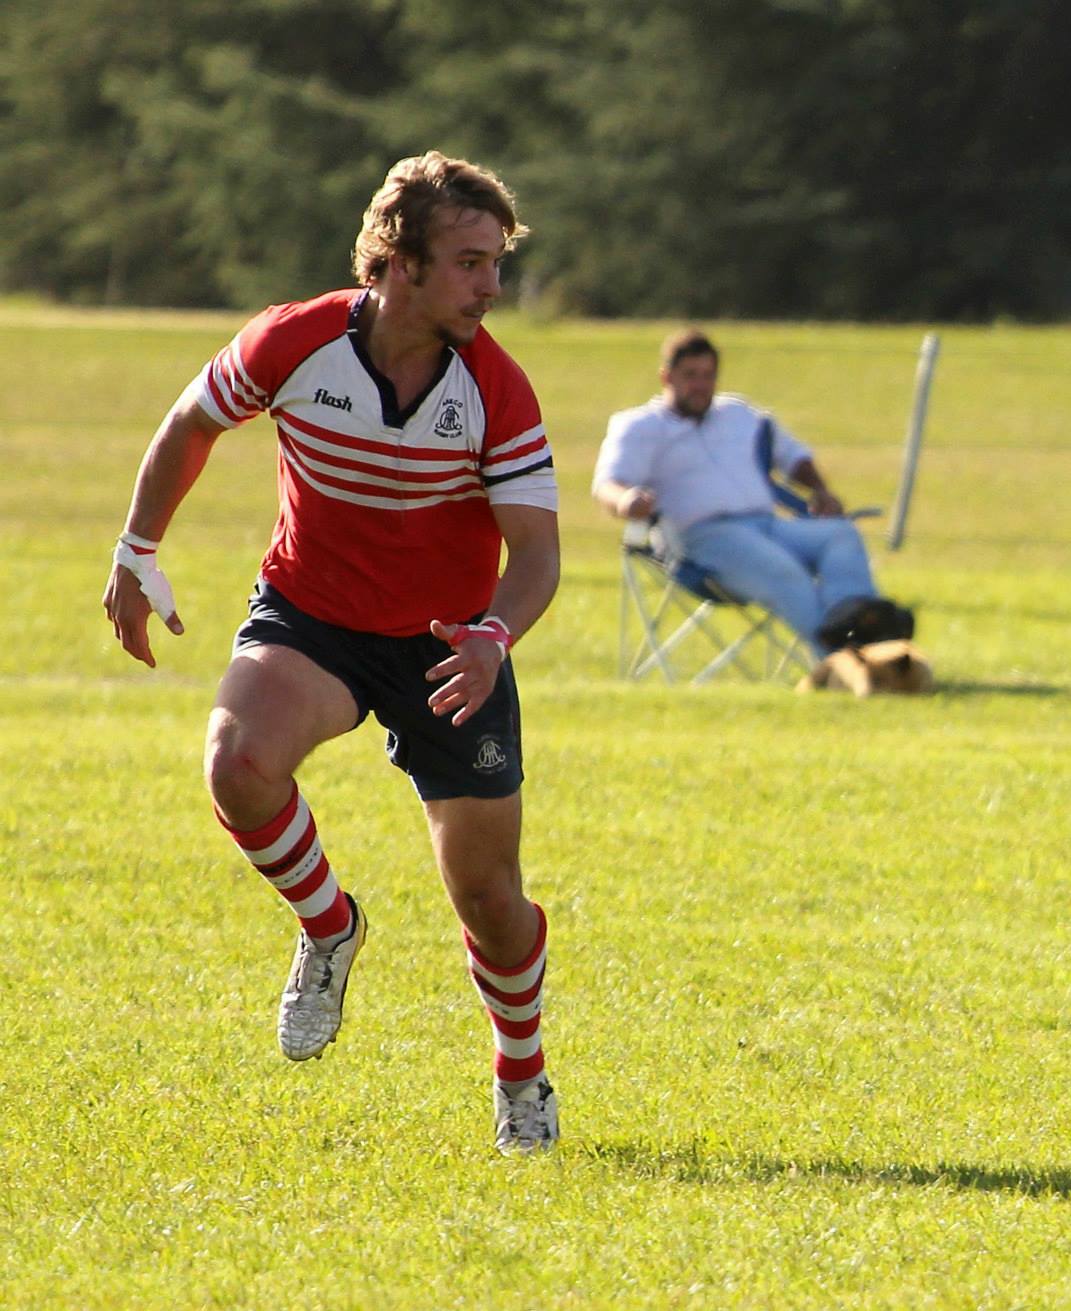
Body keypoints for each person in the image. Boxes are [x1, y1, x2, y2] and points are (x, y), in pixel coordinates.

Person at [100, 151, 564, 1156]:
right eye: (471, 263)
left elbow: (535, 554)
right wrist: (137, 549)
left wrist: (492, 635)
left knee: (489, 900)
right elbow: (191, 424)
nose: (492, 287)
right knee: (237, 763)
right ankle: (327, 926)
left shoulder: (495, 388)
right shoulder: (296, 341)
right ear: (397, 264)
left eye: (497, 263)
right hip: (313, 616)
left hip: (448, 648)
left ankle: (521, 1077)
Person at [592, 329, 898, 657]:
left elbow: (793, 456)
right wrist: (626, 501)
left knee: (840, 535)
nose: (701, 385)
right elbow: (607, 483)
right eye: (690, 375)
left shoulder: (738, 414)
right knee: (784, 569)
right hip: (701, 539)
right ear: (666, 377)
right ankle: (842, 661)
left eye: (708, 375)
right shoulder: (639, 426)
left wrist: (820, 490)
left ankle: (861, 631)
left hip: (767, 525)